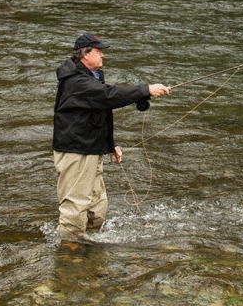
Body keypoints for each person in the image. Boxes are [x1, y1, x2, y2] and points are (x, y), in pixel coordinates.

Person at [52, 33, 170, 241]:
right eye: (99, 52)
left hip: (92, 147)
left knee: (97, 208)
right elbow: (109, 96)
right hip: (75, 151)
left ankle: (87, 246)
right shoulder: (76, 82)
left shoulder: (93, 77)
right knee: (76, 205)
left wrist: (109, 144)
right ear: (84, 55)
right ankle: (68, 253)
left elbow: (102, 110)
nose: (103, 56)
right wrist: (146, 89)